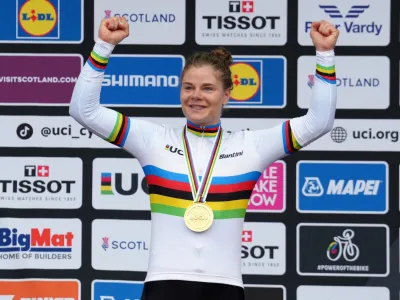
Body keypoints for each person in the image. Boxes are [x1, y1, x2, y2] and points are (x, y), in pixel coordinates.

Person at [69, 16, 339, 300]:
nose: (195, 96)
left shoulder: (251, 146)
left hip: (225, 287)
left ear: (227, 95)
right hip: (164, 285)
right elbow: (83, 111)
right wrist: (104, 46)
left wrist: (324, 53)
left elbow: (319, 122)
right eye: (188, 87)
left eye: (207, 88)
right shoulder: (153, 140)